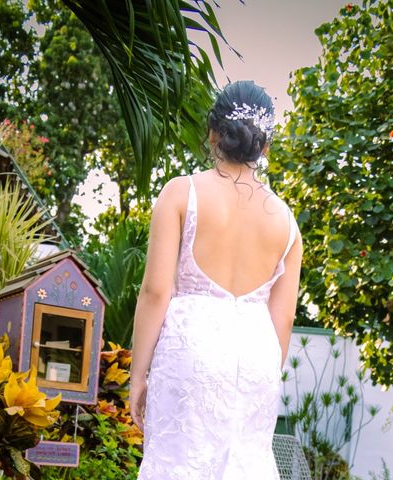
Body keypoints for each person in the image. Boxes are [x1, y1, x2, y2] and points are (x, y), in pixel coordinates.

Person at [130, 80, 303, 480]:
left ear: (213, 133)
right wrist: (258, 379)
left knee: (178, 465)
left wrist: (138, 376)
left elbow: (155, 292)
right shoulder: (288, 223)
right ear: (265, 145)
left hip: (192, 347)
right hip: (258, 357)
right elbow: (285, 320)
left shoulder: (180, 193)